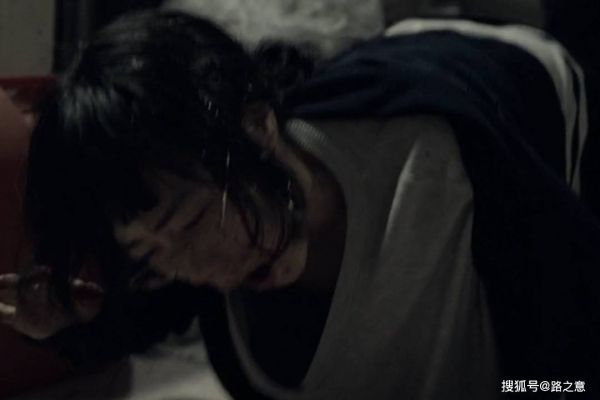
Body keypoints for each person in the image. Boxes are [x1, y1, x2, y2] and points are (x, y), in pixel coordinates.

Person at [1, 9, 599, 400]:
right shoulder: (206, 244)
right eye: (150, 254)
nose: (197, 269)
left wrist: (519, 389)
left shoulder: (450, 166)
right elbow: (152, 308)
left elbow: (571, 366)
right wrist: (61, 329)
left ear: (258, 128)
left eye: (188, 222)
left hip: (518, 73)